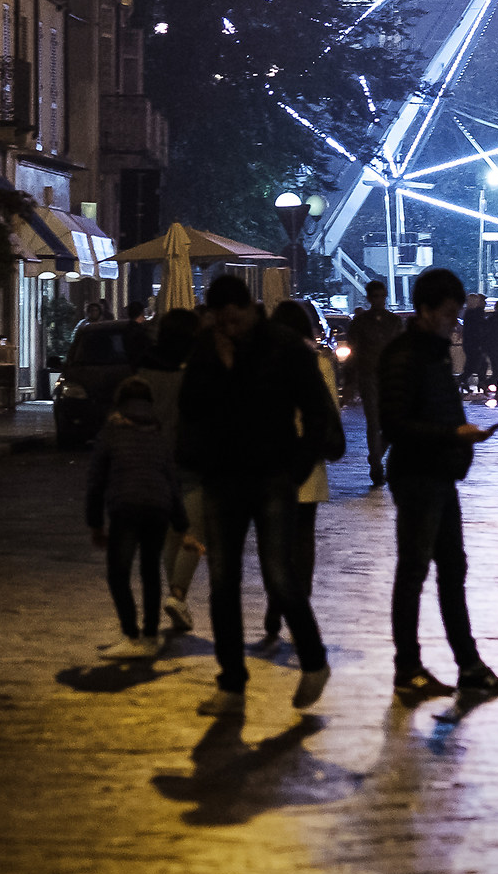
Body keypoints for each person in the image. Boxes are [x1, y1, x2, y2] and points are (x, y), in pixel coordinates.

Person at [177, 275, 345, 716]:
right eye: (222, 322)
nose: (231, 328)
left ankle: (313, 661)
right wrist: (217, 364)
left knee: (279, 573)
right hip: (222, 476)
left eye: (237, 319)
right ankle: (231, 684)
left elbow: (315, 411)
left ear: (252, 309)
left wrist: (298, 467)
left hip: (272, 473)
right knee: (222, 581)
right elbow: (190, 408)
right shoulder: (207, 350)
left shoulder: (284, 346)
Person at [378, 266, 498, 707]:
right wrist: (453, 436)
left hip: (439, 474)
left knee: (452, 570)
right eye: (450, 313)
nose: (455, 323)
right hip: (417, 475)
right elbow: (396, 425)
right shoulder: (404, 356)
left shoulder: (432, 352)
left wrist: (456, 442)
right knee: (414, 571)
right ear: (426, 310)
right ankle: (408, 669)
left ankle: (469, 666)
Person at [88, 374, 192, 659]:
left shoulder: (112, 428)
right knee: (149, 571)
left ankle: (131, 634)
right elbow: (172, 481)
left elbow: (96, 479)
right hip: (157, 507)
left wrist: (95, 523)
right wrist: (182, 526)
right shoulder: (157, 431)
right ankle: (149, 636)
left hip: (126, 505)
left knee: (119, 572)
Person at [260, 299, 339, 647]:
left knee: (274, 539)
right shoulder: (318, 361)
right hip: (309, 459)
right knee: (303, 538)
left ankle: (277, 605)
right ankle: (297, 605)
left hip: (273, 460)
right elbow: (329, 412)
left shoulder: (261, 359)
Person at [138, 308, 205, 634]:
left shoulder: (144, 372)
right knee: (193, 533)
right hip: (189, 458)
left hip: (153, 462)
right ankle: (177, 594)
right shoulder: (193, 372)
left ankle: (175, 596)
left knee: (170, 536)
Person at [345, 280, 404, 487]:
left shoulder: (394, 321)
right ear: (369, 298)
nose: (379, 300)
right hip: (368, 374)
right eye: (375, 296)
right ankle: (377, 465)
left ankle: (377, 454)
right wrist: (349, 381)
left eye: (382, 296)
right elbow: (353, 352)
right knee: (373, 422)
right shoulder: (360, 323)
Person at [458, 292, 495, 393]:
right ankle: (461, 380)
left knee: (479, 364)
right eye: (482, 301)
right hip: (475, 344)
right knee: (474, 365)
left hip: (472, 343)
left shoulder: (470, 313)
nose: (484, 303)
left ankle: (474, 382)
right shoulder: (475, 313)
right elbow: (479, 328)